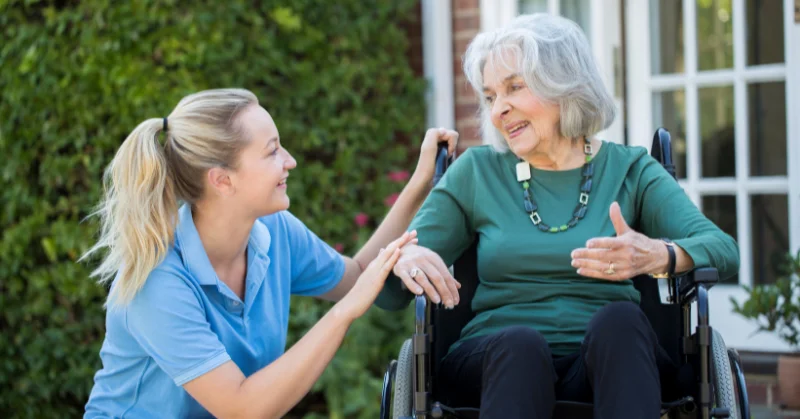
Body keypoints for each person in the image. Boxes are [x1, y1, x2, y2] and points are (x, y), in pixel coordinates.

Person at [375, 14, 739, 419]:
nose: (499, 110)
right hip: (496, 361)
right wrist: (403, 259)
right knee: (521, 347)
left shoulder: (630, 168)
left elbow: (723, 250)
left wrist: (660, 255)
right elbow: (389, 294)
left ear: (564, 83)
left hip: (610, 362)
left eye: (514, 87)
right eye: (491, 95)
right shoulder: (477, 173)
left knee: (621, 322)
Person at [81, 88, 458, 418]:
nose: (290, 160)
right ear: (222, 180)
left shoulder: (273, 232)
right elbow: (243, 409)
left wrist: (420, 183)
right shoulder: (157, 281)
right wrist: (345, 312)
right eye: (272, 151)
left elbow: (357, 276)